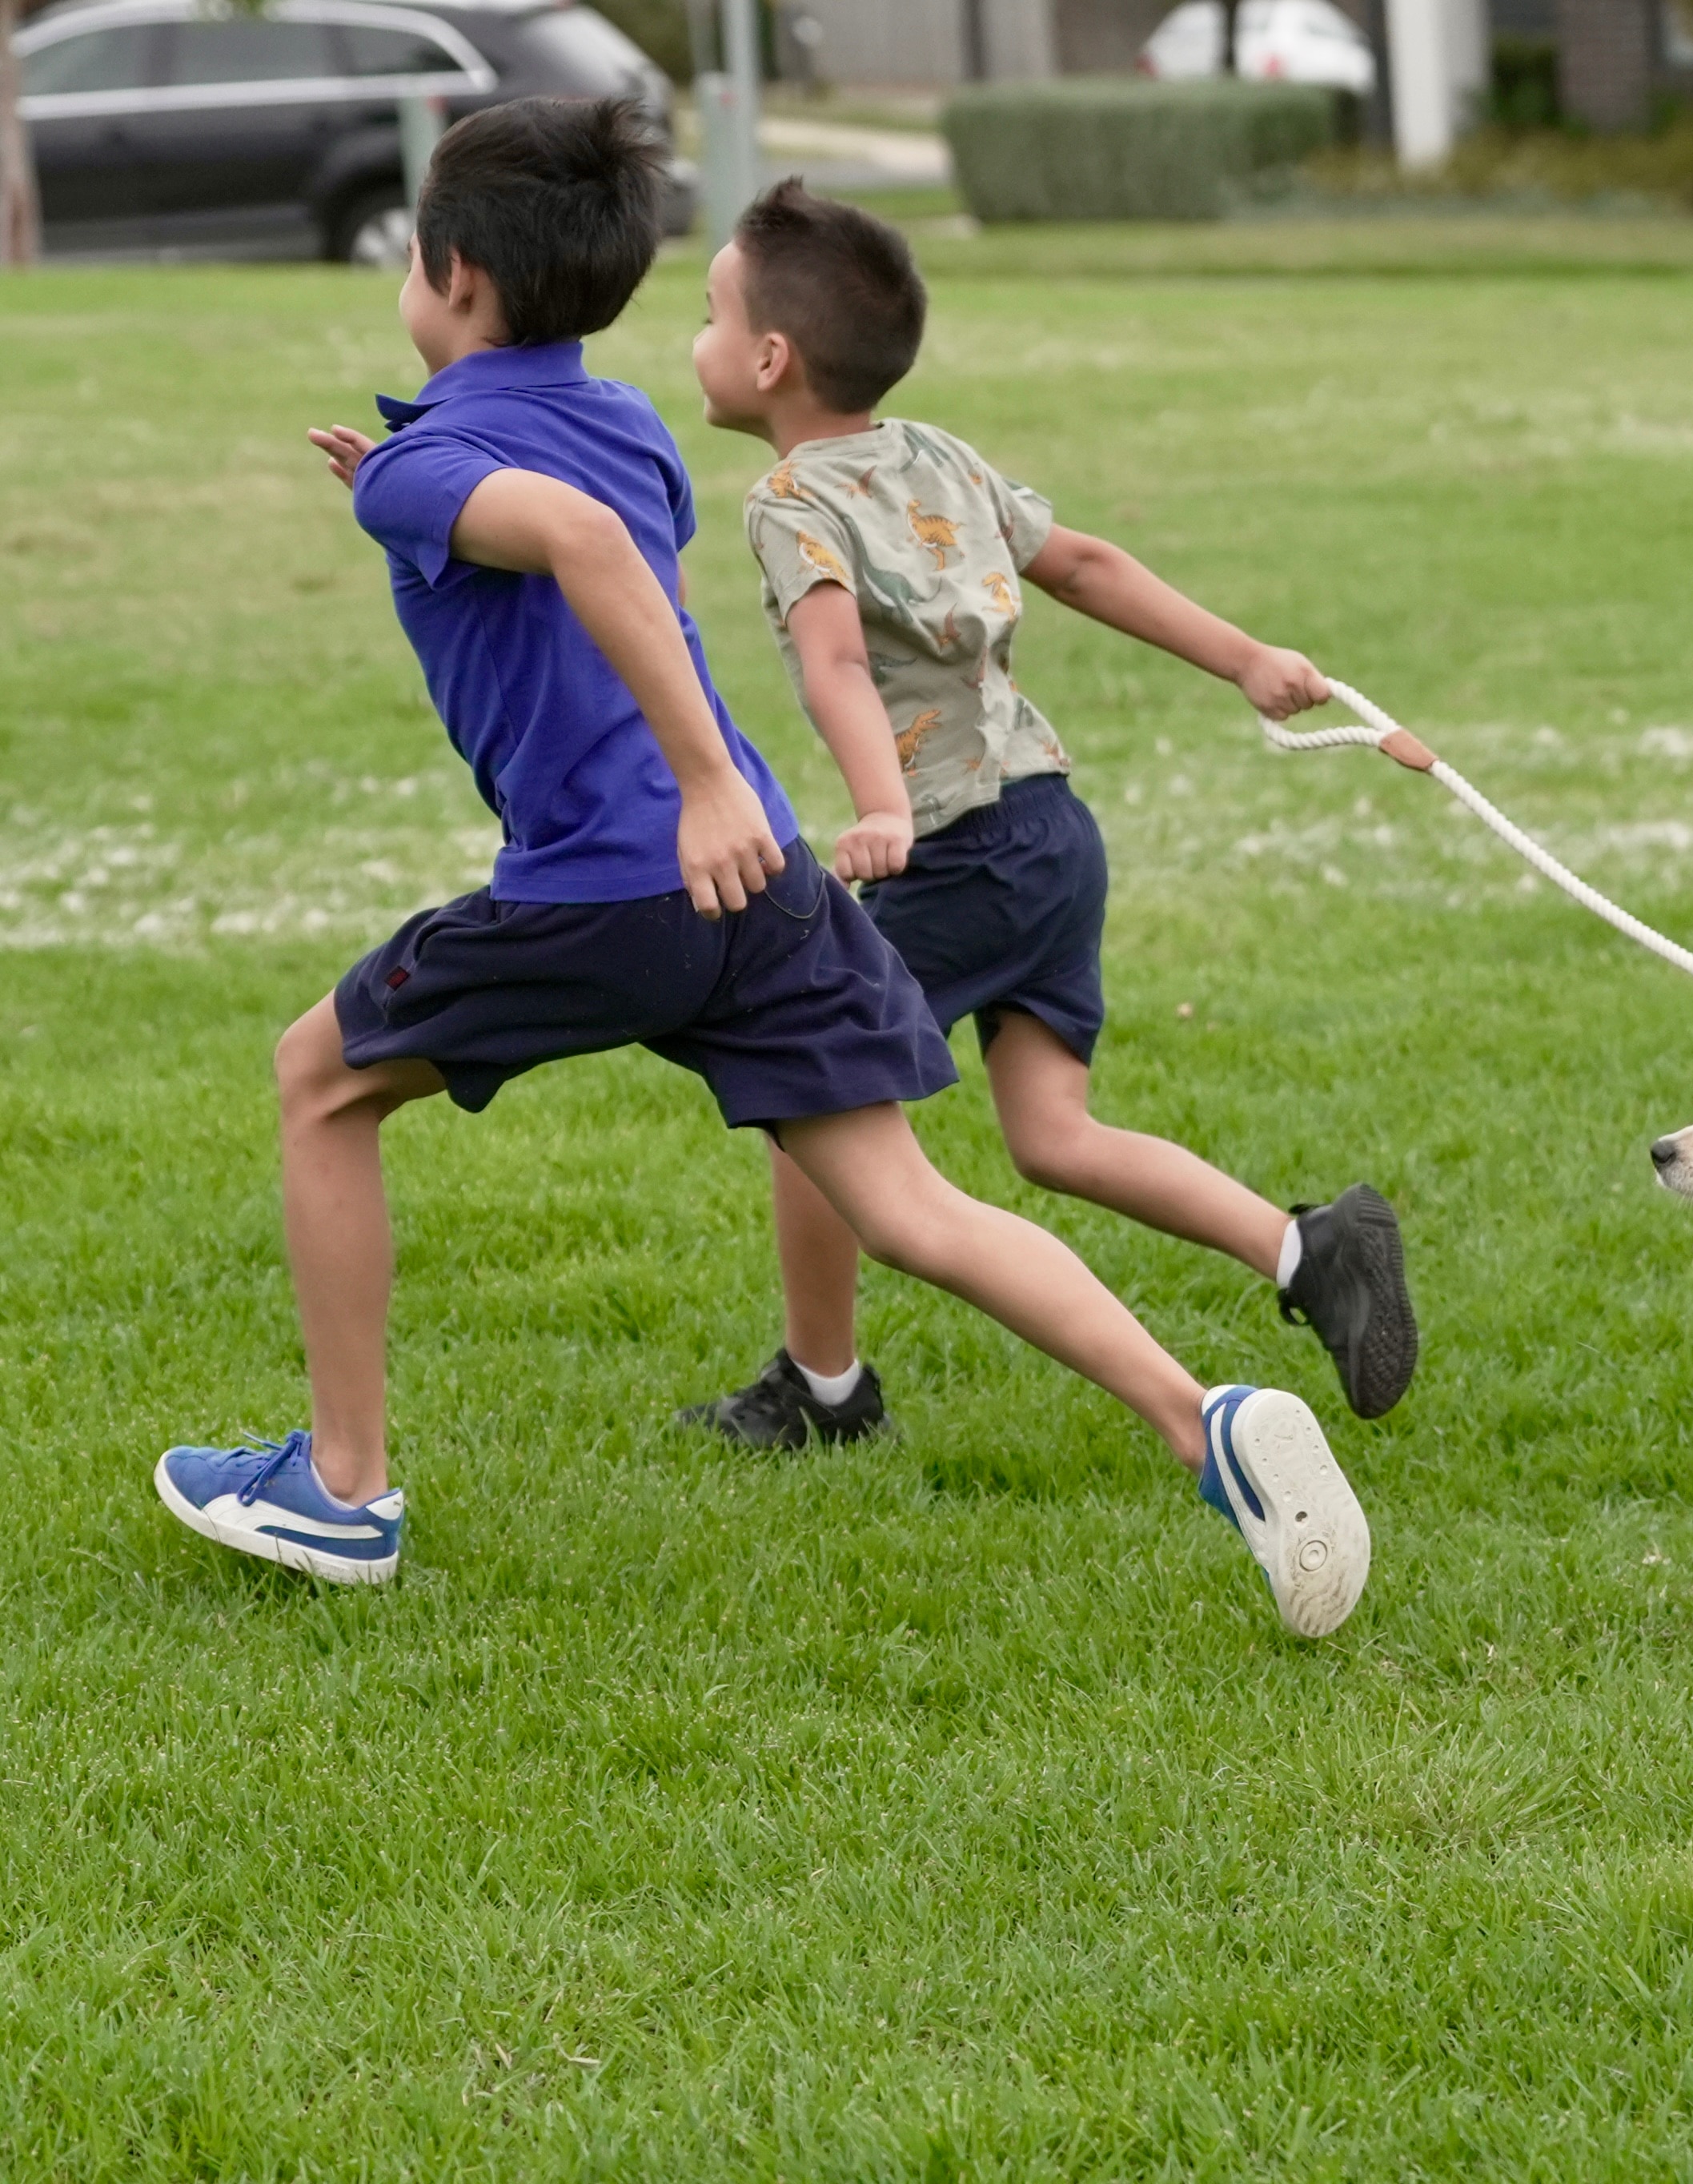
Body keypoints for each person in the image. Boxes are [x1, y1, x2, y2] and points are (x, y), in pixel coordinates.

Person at [153, 99, 1370, 1640]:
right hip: (770, 890)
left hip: (610, 887)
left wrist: (702, 777)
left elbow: (588, 553)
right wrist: (412, 496)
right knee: (914, 1207)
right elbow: (578, 532)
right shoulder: (624, 425)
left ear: (451, 275)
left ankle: (339, 1487)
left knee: (318, 1081)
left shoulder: (439, 467)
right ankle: (1207, 1424)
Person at [675, 179, 1419, 1456]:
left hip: (955, 847)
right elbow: (1083, 564)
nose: (692, 341)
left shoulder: (791, 501)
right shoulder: (938, 454)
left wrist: (877, 806)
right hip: (1051, 835)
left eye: (705, 314)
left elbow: (839, 664)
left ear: (769, 357)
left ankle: (824, 1388)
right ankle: (1309, 1248)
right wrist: (1241, 656)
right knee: (1052, 1135)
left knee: (806, 1080)